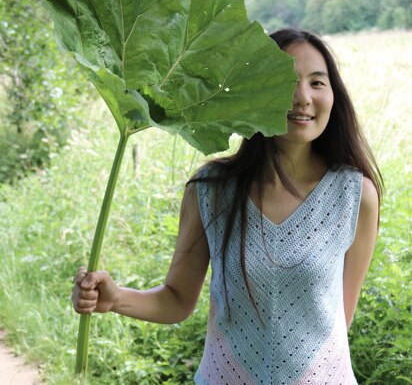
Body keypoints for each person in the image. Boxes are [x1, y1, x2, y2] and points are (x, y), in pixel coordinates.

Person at [72, 28, 382, 384]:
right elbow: (176, 299)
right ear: (258, 90)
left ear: (333, 94)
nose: (302, 97)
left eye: (317, 82)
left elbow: (339, 319)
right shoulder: (211, 191)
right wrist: (115, 299)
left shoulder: (355, 195)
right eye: (287, 81)